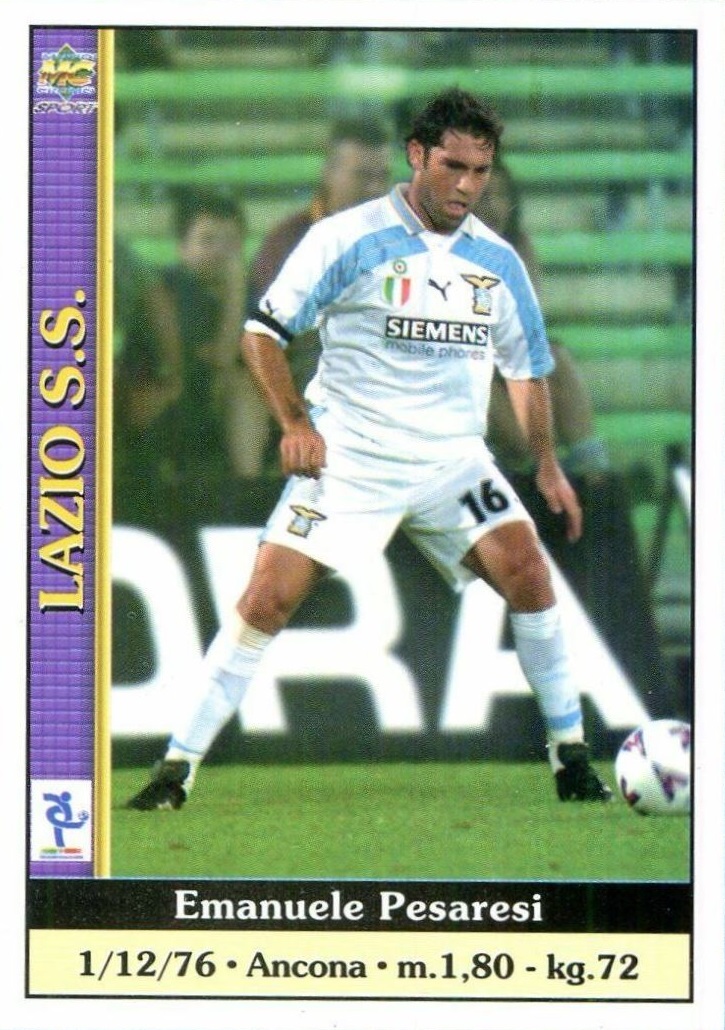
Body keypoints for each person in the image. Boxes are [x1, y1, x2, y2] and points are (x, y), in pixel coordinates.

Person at [128, 87, 612, 811]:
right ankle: (176, 769)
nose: (467, 186)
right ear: (416, 155)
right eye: (453, 166)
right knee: (267, 598)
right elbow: (261, 334)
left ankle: (570, 758)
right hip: (351, 456)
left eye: (480, 171)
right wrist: (296, 423)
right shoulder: (346, 238)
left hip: (451, 460)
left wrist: (545, 463)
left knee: (529, 574)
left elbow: (525, 368)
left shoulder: (497, 260)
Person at [115, 189, 269, 497]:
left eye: (230, 242)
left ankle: (251, 490)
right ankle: (246, 489)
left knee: (247, 388)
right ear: (183, 247)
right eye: (207, 240)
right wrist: (235, 290)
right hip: (160, 398)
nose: (220, 252)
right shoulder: (174, 289)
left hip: (209, 401)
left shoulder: (253, 296)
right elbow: (219, 359)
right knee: (240, 387)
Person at [246, 116, 393, 415]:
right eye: (363, 176)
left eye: (383, 176)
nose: (375, 188)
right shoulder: (287, 241)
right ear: (329, 173)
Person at [476, 158, 610, 480]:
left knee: (556, 357)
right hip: (464, 363)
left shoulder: (519, 247)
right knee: (523, 440)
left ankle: (593, 474)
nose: (493, 207)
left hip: (505, 359)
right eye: (483, 196)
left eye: (501, 195)